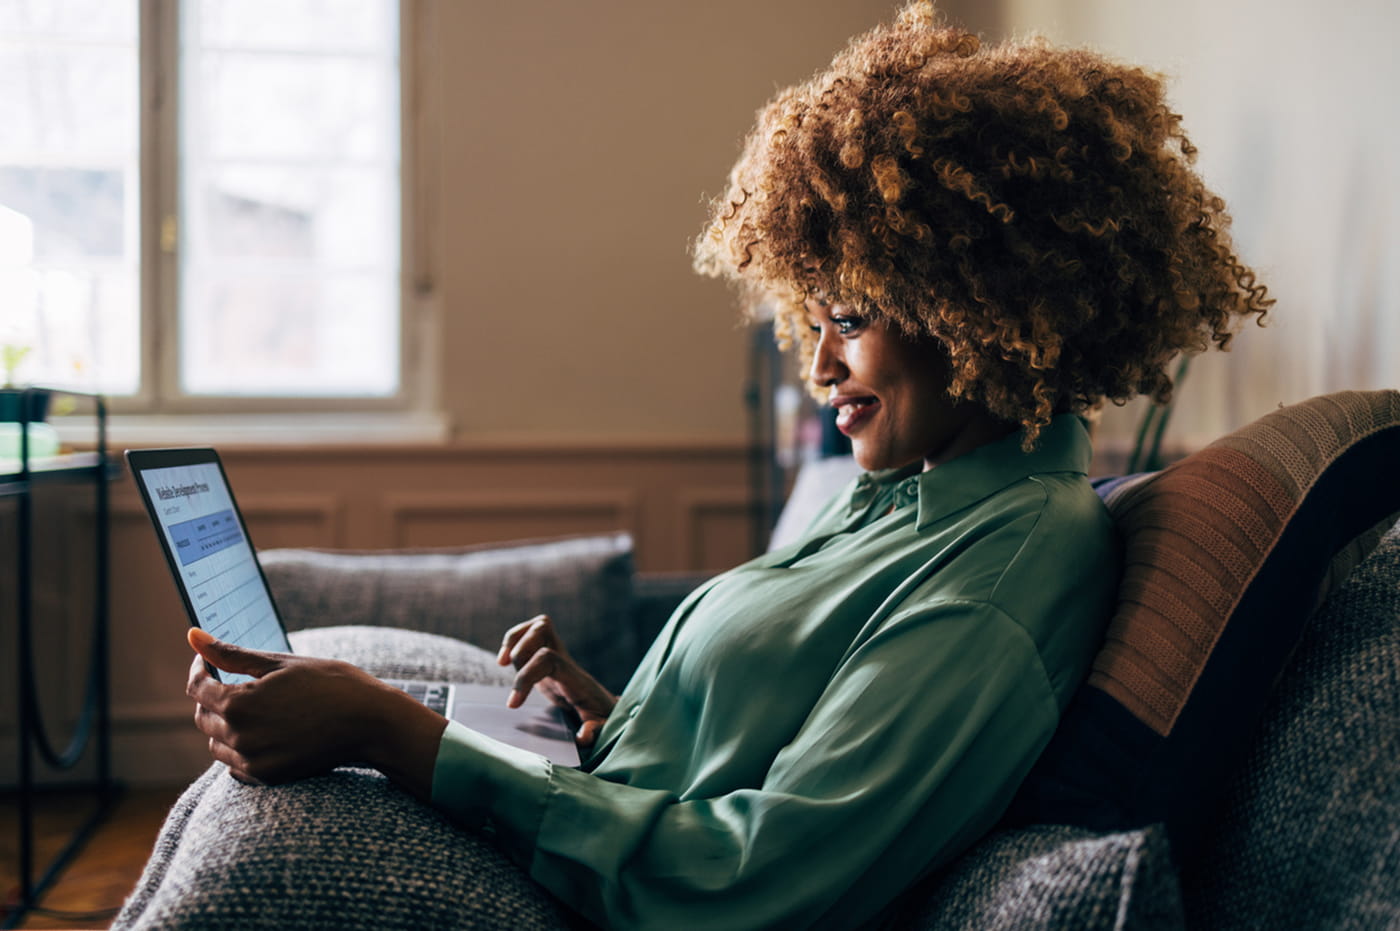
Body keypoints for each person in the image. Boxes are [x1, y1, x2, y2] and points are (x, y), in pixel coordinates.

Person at [183, 3, 1270, 928]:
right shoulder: (906, 496)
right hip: (585, 812)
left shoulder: (1000, 573)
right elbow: (775, 738)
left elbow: (758, 878)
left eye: (846, 316)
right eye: (811, 315)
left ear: (979, 308)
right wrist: (615, 713)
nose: (816, 363)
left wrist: (390, 729)